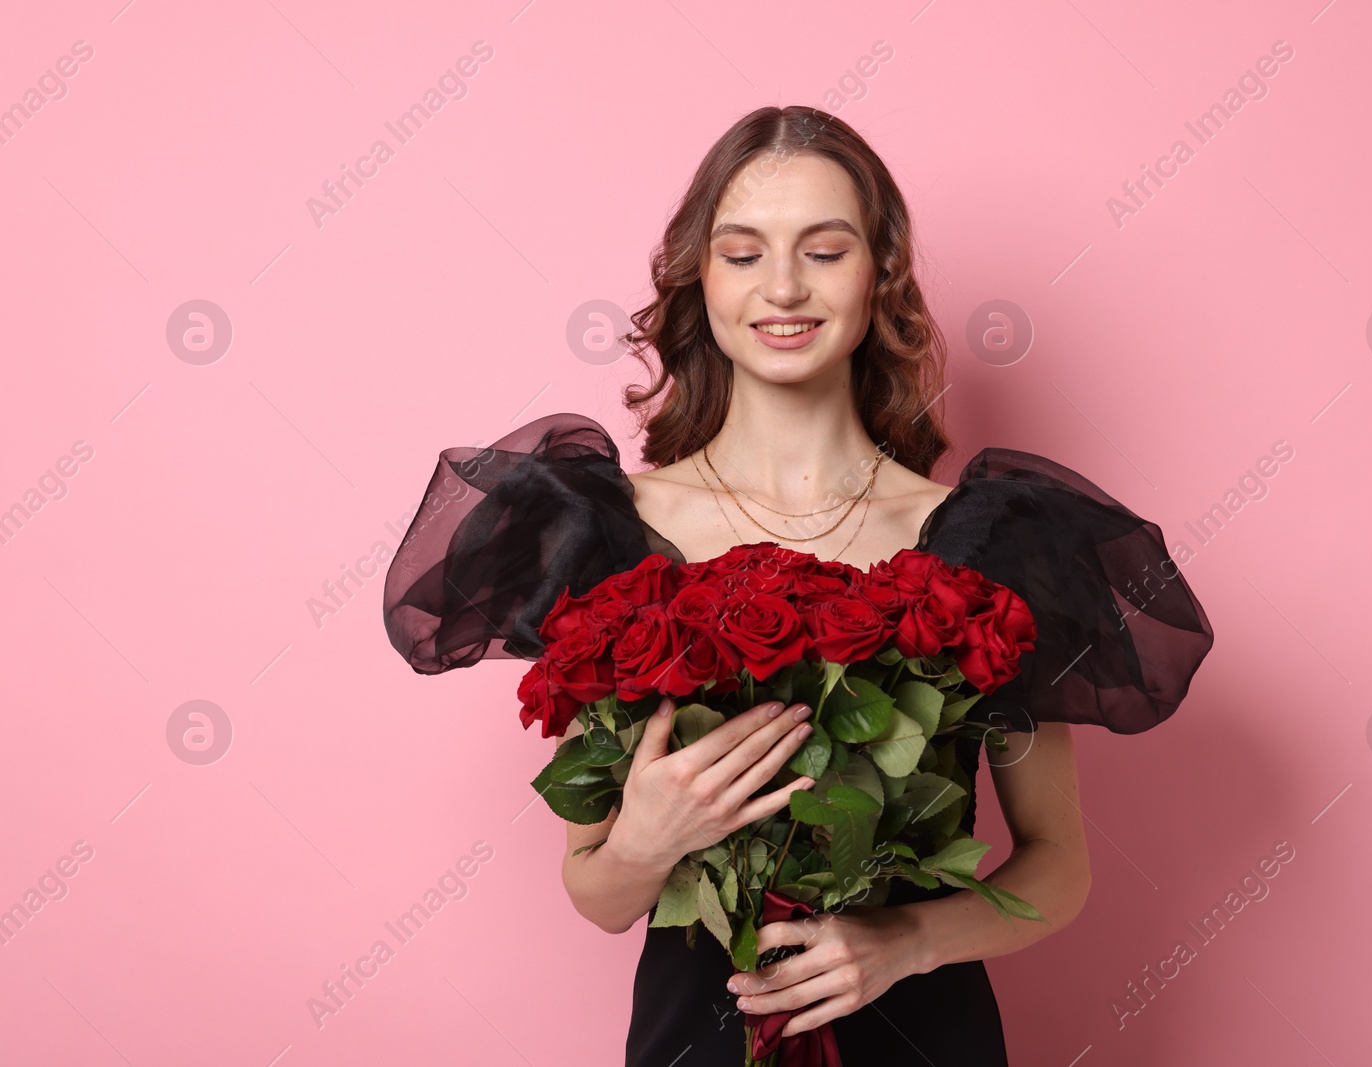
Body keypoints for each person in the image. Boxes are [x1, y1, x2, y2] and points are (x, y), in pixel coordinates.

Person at [383, 105, 1214, 1065]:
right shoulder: (604, 534)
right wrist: (648, 838)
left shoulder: (990, 548)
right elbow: (598, 893)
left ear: (879, 276)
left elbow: (1059, 867)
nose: (783, 287)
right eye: (743, 255)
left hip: (924, 1039)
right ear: (703, 282)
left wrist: (907, 941)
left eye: (824, 251)